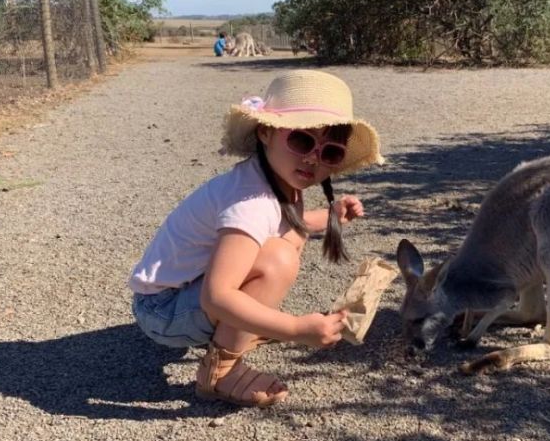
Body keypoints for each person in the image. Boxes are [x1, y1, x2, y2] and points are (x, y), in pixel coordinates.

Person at [128, 71, 384, 408]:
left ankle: (244, 325)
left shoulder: (275, 180)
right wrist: (294, 329)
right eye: (302, 140)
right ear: (266, 132)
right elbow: (217, 297)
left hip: (181, 296)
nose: (311, 157)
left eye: (330, 152)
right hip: (162, 312)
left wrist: (330, 216)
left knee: (288, 239)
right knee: (278, 259)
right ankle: (222, 372)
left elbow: (288, 221)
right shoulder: (251, 202)